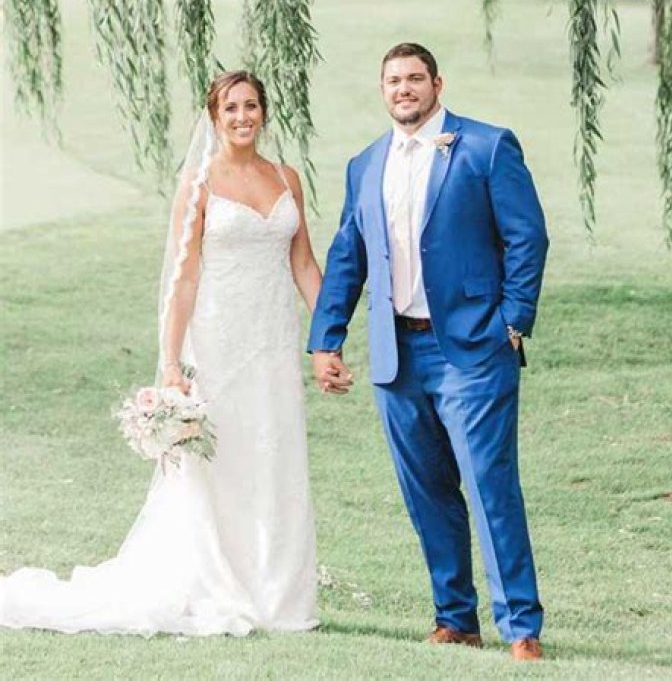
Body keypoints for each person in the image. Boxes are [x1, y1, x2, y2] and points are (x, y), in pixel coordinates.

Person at [0, 71, 321, 636]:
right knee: (222, 461)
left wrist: (330, 334)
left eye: (251, 106)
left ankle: (276, 595)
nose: (242, 117)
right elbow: (184, 275)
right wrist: (172, 363)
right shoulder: (199, 184)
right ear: (214, 117)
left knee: (275, 456)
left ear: (264, 113)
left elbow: (302, 263)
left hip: (273, 341)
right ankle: (216, 582)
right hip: (218, 341)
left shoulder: (285, 178)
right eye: (230, 108)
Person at [309, 43, 549, 661]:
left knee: (490, 486)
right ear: (382, 90)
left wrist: (513, 322)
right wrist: (327, 337)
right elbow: (348, 254)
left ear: (437, 84)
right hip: (397, 355)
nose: (404, 89)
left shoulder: (486, 147)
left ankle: (521, 627)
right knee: (427, 493)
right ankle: (456, 619)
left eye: (415, 78)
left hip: (473, 350)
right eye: (393, 80)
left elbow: (527, 237)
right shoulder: (365, 165)